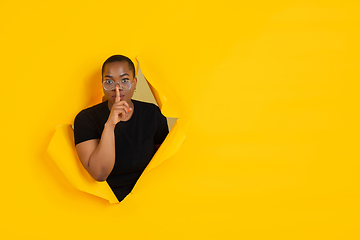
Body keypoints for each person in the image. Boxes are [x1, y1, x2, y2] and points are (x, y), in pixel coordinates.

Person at [73, 55, 169, 202]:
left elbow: (164, 164)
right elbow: (99, 174)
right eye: (109, 82)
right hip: (103, 204)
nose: (117, 88)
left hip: (148, 200)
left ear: (134, 83)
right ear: (102, 84)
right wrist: (110, 124)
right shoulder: (86, 119)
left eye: (125, 80)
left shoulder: (152, 114)